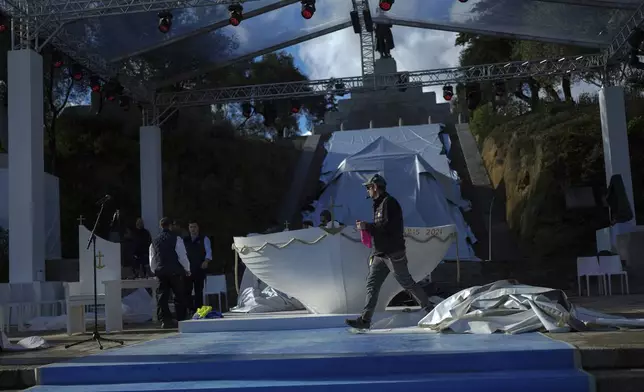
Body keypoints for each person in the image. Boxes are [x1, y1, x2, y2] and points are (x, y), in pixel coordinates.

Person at [345, 174, 431, 330]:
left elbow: (387, 228)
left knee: (406, 282)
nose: (367, 191)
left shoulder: (389, 203)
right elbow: (380, 229)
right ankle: (365, 320)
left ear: (375, 187)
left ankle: (429, 308)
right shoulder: (378, 204)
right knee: (372, 284)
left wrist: (367, 227)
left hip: (393, 253)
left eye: (368, 188)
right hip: (380, 253)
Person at [149, 217, 191, 328]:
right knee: (179, 295)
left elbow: (152, 257)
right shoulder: (176, 239)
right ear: (170, 225)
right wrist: (187, 269)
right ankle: (181, 318)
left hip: (161, 272)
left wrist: (154, 270)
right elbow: (182, 256)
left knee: (162, 297)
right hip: (175, 271)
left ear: (160, 226)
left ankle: (165, 320)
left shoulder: (155, 240)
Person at [183, 220, 212, 313]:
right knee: (187, 290)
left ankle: (198, 310)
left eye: (194, 227)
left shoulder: (204, 239)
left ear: (198, 228)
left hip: (199, 268)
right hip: (188, 269)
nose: (193, 229)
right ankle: (190, 309)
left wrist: (206, 261)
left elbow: (209, 251)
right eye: (191, 227)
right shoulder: (185, 240)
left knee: (198, 290)